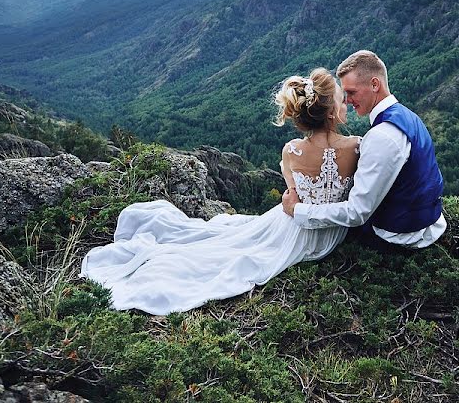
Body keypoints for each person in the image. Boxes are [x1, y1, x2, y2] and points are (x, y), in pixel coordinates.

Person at [80, 68, 361, 315]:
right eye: (340, 99)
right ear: (332, 112)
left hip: (294, 225)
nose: (345, 103)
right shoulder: (356, 146)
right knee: (236, 251)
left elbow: (292, 198)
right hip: (331, 231)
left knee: (234, 246)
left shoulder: (293, 151)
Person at [282, 50, 447, 251]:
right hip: (427, 219)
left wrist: (297, 210)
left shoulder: (382, 137)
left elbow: (357, 212)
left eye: (351, 92)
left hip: (400, 234)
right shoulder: (407, 115)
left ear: (374, 84)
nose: (347, 101)